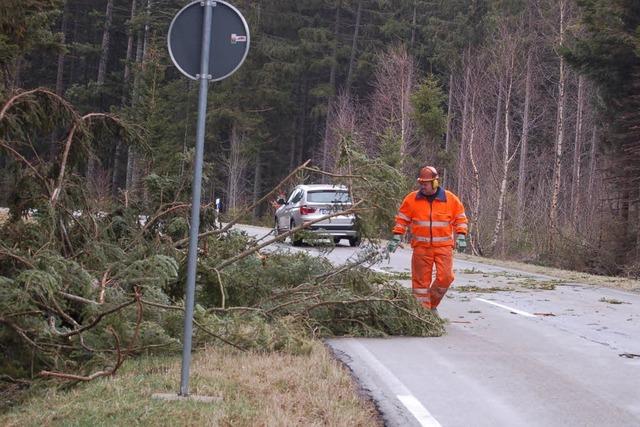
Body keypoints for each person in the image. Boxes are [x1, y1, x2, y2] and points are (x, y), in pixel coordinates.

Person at [387, 166, 468, 311]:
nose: (422, 186)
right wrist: (396, 235)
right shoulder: (412, 199)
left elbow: (460, 218)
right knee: (420, 284)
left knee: (446, 278)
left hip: (444, 248)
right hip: (421, 248)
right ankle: (422, 313)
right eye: (421, 183)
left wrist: (461, 235)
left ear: (435, 183)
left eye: (426, 183)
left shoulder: (450, 199)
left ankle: (431, 305)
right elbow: (402, 219)